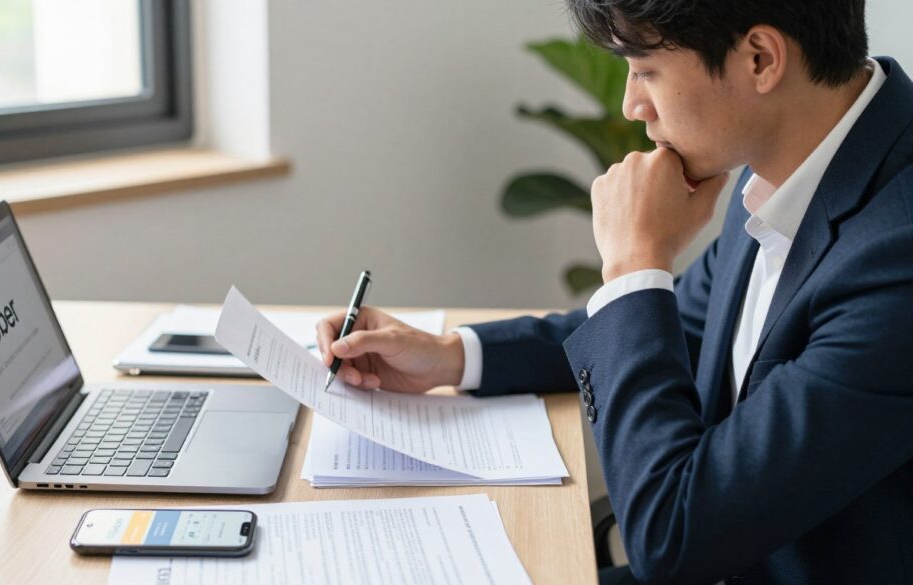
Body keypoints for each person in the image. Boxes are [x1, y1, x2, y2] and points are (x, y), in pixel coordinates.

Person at [316, 1, 913, 583]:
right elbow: (681, 323)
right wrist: (451, 356)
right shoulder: (787, 165)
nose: (631, 105)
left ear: (759, 59)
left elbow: (671, 538)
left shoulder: (896, 256)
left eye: (647, 70)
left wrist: (634, 261)